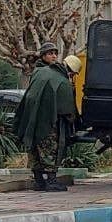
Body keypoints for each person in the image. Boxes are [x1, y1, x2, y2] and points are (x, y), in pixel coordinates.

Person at [13, 41, 77, 191]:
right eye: (50, 53)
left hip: (36, 118)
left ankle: (39, 181)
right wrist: (71, 116)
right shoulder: (50, 74)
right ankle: (50, 181)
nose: (54, 56)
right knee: (50, 148)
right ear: (43, 55)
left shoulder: (39, 72)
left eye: (55, 53)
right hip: (48, 120)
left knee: (36, 148)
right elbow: (63, 99)